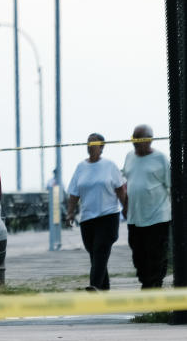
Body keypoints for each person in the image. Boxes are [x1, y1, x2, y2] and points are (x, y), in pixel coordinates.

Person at [66, 133, 126, 291]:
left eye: (94, 144)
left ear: (102, 147)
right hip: (87, 219)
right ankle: (104, 288)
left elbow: (120, 190)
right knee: (94, 253)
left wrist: (126, 209)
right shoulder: (81, 167)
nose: (90, 147)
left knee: (100, 250)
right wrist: (70, 212)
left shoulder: (110, 166)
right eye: (88, 144)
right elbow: (74, 193)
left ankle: (94, 286)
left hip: (108, 216)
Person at [121, 124, 172, 289]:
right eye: (133, 139)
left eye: (139, 140)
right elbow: (128, 183)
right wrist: (125, 204)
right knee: (138, 254)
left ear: (149, 140)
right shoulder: (129, 157)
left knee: (155, 253)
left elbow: (170, 185)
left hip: (158, 215)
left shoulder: (160, 159)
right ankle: (146, 280)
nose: (135, 143)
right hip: (135, 216)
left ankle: (154, 284)